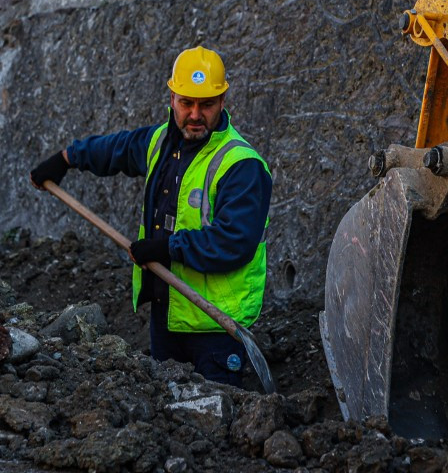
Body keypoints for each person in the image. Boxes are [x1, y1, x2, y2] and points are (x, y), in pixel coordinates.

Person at [29, 46, 272, 387]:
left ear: (223, 101)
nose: (195, 114)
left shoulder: (241, 164)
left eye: (206, 104)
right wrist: (66, 158)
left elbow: (234, 242)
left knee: (216, 426)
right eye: (186, 102)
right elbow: (117, 148)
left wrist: (166, 248)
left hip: (215, 327)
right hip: (166, 314)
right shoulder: (160, 141)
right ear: (172, 97)